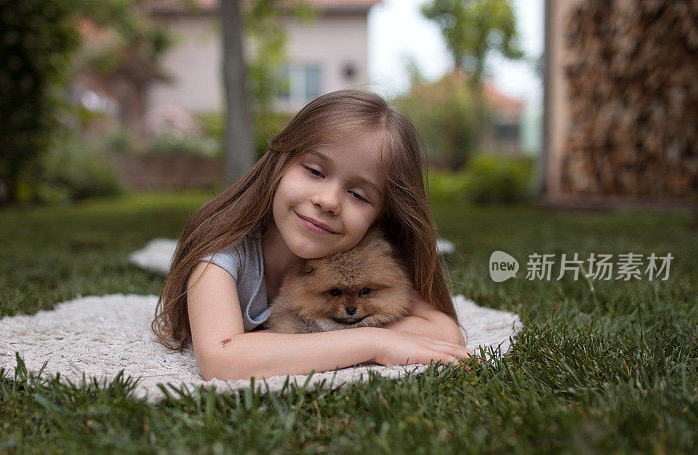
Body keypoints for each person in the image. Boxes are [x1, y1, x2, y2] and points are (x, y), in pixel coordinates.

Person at [152, 89, 473, 380]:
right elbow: (221, 360)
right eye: (315, 171)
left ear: (380, 217)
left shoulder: (362, 257)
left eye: (359, 195)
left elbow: (444, 333)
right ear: (281, 161)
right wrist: (373, 341)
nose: (328, 201)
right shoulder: (222, 250)